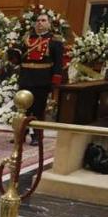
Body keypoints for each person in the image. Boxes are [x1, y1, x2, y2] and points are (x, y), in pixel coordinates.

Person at [19, 13, 64, 145]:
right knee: (23, 109)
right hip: (26, 78)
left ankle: (37, 136)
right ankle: (21, 133)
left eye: (43, 20)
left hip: (42, 80)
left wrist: (55, 81)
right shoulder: (26, 38)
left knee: (38, 110)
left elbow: (58, 63)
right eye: (38, 20)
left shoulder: (55, 41)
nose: (40, 23)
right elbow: (20, 58)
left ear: (49, 24)